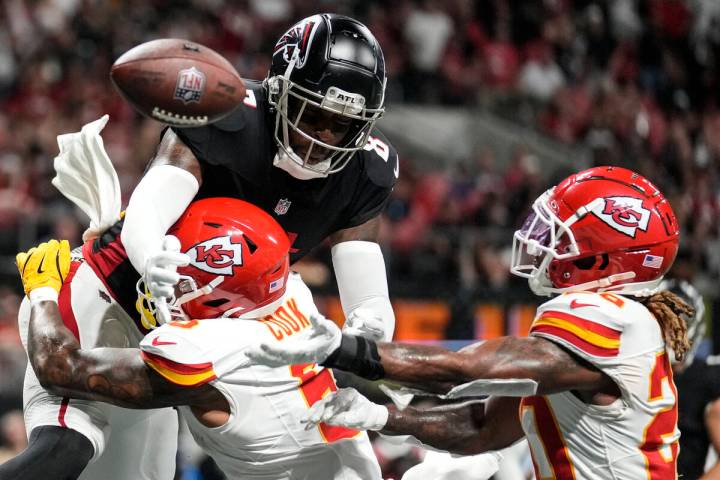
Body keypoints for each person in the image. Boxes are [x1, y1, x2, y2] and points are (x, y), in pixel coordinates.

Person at [2, 12, 397, 479]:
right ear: (280, 89)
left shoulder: (364, 173)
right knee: (66, 449)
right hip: (111, 293)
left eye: (342, 124)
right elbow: (146, 214)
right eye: (313, 113)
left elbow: (371, 306)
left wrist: (366, 346)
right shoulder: (226, 115)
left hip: (188, 335)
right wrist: (152, 258)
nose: (322, 137)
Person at [247, 166, 693, 479]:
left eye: (560, 234)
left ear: (600, 259)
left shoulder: (608, 316)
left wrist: (344, 350)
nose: (542, 241)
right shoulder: (622, 322)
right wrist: (383, 416)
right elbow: (481, 426)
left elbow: (468, 371)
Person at [10, 198, 382, 480]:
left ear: (218, 299)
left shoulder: (205, 347)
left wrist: (43, 292)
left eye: (182, 283)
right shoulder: (291, 297)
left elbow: (61, 368)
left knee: (68, 446)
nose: (168, 290)